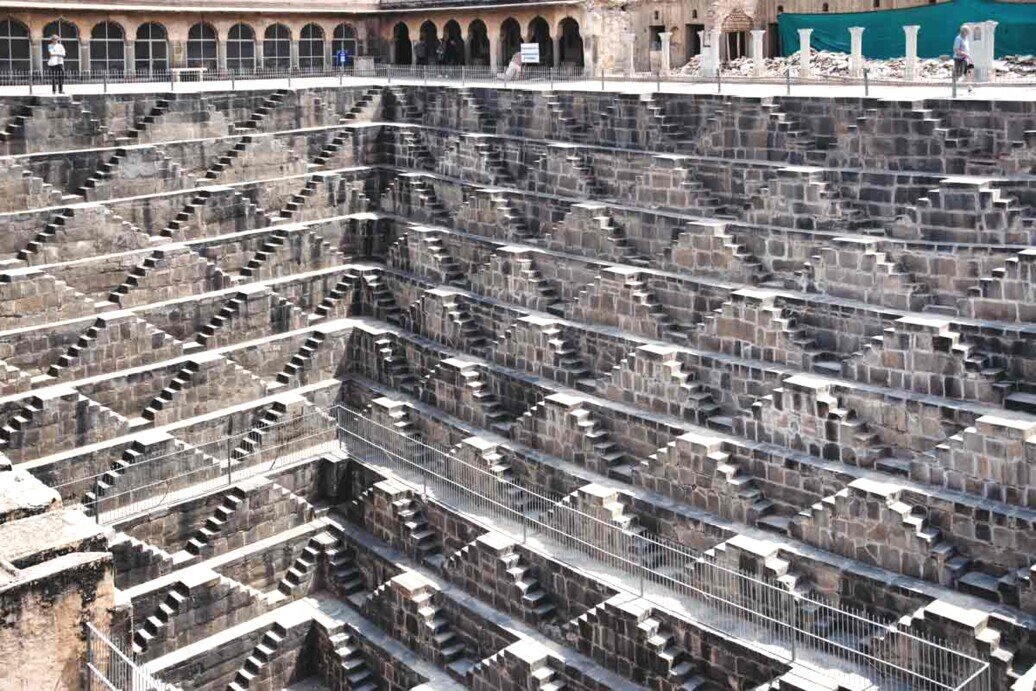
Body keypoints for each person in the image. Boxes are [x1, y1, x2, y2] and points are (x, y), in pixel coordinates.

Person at [953, 25, 974, 93]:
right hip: (959, 59)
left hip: (965, 58)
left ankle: (969, 87)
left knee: (968, 73)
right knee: (959, 74)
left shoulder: (965, 38)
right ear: (963, 31)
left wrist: (968, 57)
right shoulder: (958, 39)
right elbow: (956, 50)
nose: (968, 33)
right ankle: (954, 87)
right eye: (967, 32)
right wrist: (965, 54)